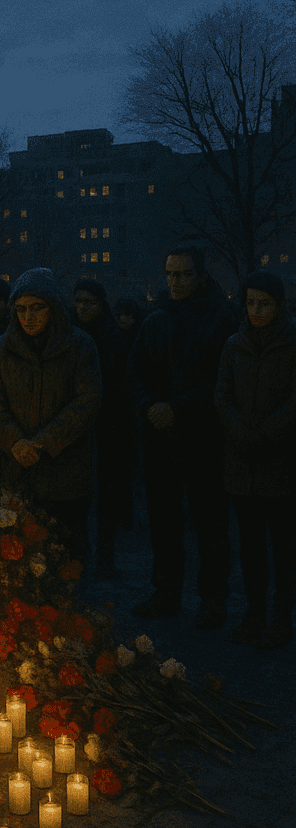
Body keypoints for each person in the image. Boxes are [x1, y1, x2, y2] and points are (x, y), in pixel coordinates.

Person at [129, 247, 238, 626]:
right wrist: (150, 406)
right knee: (164, 521)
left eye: (183, 275)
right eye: (171, 274)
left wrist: (175, 406)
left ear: (200, 276)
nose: (175, 282)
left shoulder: (221, 319)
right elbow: (137, 372)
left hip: (203, 438)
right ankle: (167, 592)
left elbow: (220, 380)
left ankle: (213, 599)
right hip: (162, 438)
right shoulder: (156, 320)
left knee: (210, 522)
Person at [0, 267, 101, 561]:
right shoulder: (3, 347)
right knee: (18, 553)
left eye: (37, 308)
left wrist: (42, 442)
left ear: (54, 309)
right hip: (15, 467)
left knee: (65, 551)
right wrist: (15, 442)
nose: (28, 317)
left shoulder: (79, 345)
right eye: (21, 309)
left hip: (65, 469)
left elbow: (87, 401)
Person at [214, 270, 296, 650]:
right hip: (242, 463)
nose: (256, 310)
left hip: (279, 463)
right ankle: (255, 611)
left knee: (282, 544)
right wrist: (237, 430)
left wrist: (264, 434)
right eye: (251, 302)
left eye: (264, 303)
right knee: (250, 546)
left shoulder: (291, 344)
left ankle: (281, 616)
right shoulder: (235, 345)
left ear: (278, 305)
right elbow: (223, 394)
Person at [73, 278, 133, 575]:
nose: (83, 307)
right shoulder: (69, 334)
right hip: (76, 422)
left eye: (89, 302)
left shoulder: (113, 337)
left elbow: (121, 382)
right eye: (79, 301)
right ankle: (80, 551)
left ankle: (105, 554)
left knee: (106, 491)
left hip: (109, 422)